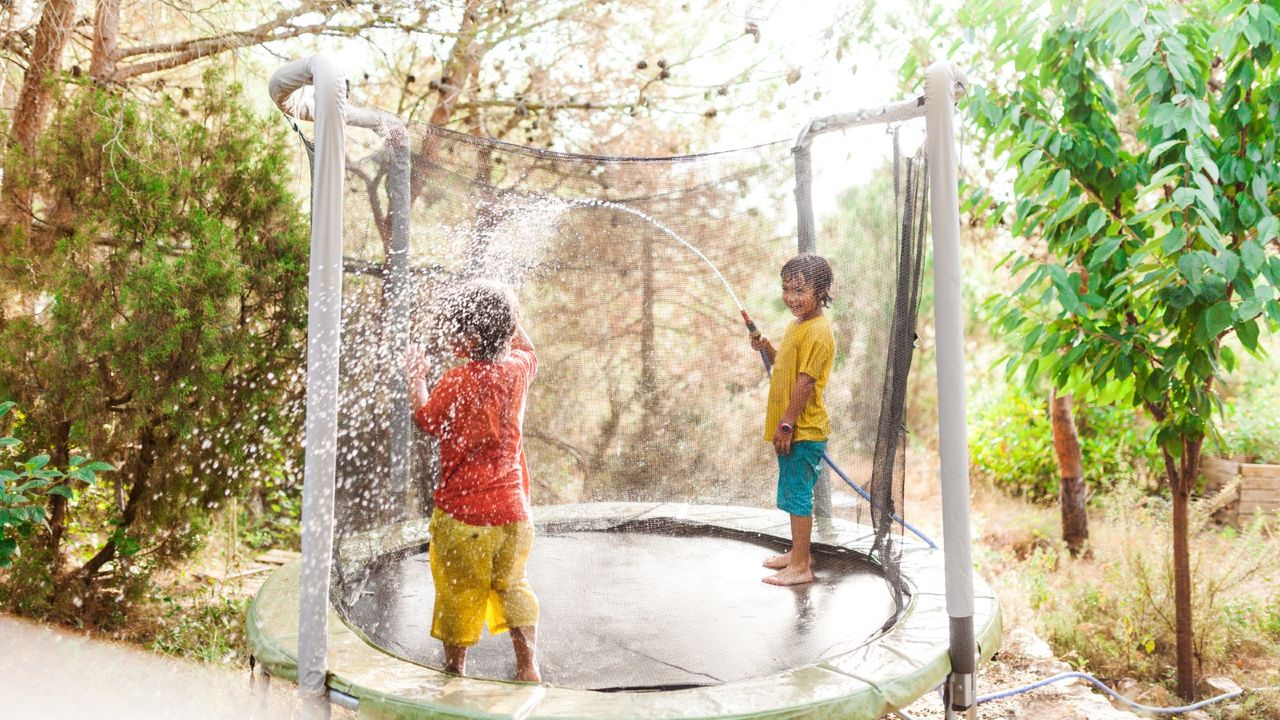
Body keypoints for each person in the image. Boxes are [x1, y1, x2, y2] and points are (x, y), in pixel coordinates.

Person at [405, 280, 541, 681]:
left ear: (469, 340)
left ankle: (454, 668)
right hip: (515, 515)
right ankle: (528, 666)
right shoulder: (517, 371)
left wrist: (416, 377)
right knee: (514, 584)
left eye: (453, 330)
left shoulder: (454, 382)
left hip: (464, 519)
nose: (447, 335)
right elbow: (528, 348)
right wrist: (506, 311)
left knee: (458, 592)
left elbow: (427, 419)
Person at [749, 254, 836, 586]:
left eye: (799, 290)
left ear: (821, 289)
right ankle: (799, 553)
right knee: (791, 492)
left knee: (798, 494)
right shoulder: (798, 325)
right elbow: (785, 366)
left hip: (802, 429)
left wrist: (787, 424)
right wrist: (767, 347)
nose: (791, 298)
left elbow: (805, 381)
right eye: (786, 289)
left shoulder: (818, 332)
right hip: (793, 428)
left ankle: (801, 566)